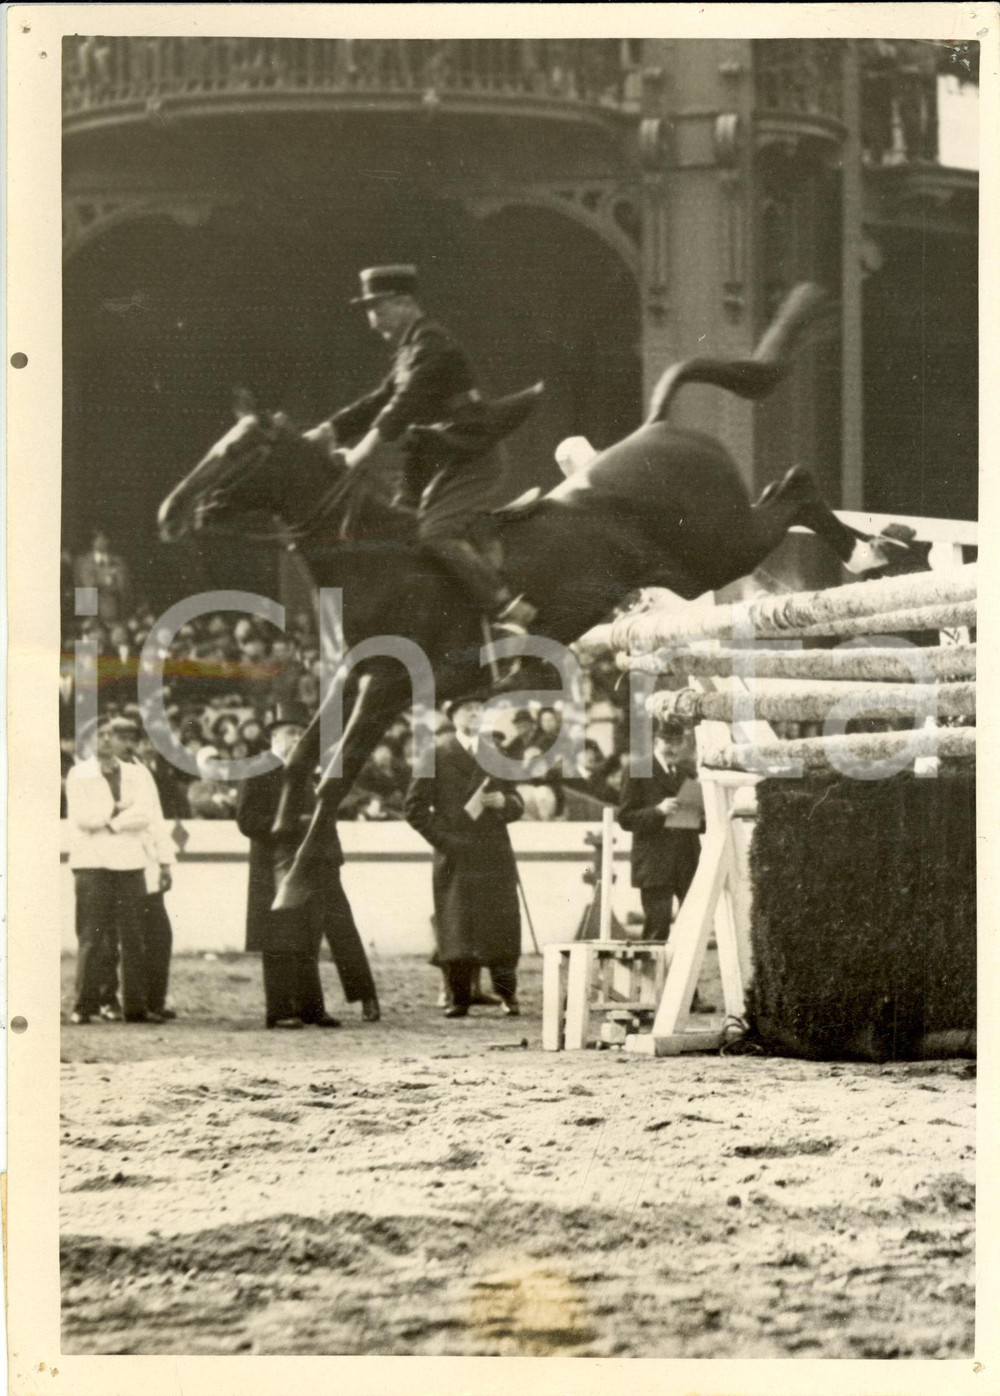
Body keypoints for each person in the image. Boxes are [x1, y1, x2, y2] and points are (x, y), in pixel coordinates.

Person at [321, 264, 537, 631]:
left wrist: (360, 452)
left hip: (472, 456)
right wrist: (327, 430)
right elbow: (379, 400)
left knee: (435, 532)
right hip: (441, 457)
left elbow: (402, 403)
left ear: (404, 303)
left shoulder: (432, 343)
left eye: (378, 307)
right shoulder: (410, 349)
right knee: (398, 526)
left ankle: (507, 609)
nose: (372, 320)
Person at [235, 705, 381, 1028]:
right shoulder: (256, 769)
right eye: (291, 733)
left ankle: (312, 1008)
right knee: (280, 935)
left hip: (316, 861)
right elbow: (246, 820)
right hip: (275, 862)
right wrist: (289, 825)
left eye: (302, 734)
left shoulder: (309, 771)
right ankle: (281, 1010)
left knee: (309, 935)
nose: (298, 739)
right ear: (273, 736)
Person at [404, 696, 524, 1018]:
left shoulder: (496, 755)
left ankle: (507, 995)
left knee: (502, 926)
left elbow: (517, 801)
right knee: (457, 926)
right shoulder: (436, 754)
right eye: (466, 708)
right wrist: (445, 842)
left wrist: (505, 803)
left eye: (478, 709)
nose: (473, 714)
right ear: (453, 715)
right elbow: (414, 810)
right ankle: (460, 998)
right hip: (456, 853)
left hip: (494, 851)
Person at [65, 718, 163, 1024]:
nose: (107, 740)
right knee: (92, 936)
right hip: (91, 863)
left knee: (133, 937)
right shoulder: (78, 773)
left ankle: (135, 1007)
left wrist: (111, 822)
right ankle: (84, 1005)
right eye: (100, 735)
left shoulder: (136, 772)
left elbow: (145, 814)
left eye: (110, 735)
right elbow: (82, 818)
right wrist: (121, 812)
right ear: (87, 742)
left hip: (130, 862)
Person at [103, 718, 178, 1021]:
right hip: (111, 862)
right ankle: (108, 999)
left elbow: (154, 818)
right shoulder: (100, 773)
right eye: (120, 736)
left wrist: (165, 861)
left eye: (131, 736)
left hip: (144, 862)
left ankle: (152, 1001)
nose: (126, 742)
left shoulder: (142, 771)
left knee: (159, 934)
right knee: (112, 935)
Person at [617, 716, 704, 943]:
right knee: (658, 928)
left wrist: (700, 814)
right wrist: (658, 810)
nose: (674, 748)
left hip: (686, 859)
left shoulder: (688, 772)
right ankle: (650, 980)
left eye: (678, 742)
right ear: (655, 741)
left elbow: (700, 822)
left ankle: (684, 979)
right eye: (668, 742)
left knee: (691, 929)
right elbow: (625, 818)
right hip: (655, 862)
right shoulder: (638, 770)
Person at [73, 529, 130, 624]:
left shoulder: (119, 562)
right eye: (98, 538)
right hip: (90, 616)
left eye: (104, 538)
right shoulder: (83, 562)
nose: (102, 541)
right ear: (92, 541)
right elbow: (83, 588)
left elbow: (124, 588)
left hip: (115, 615)